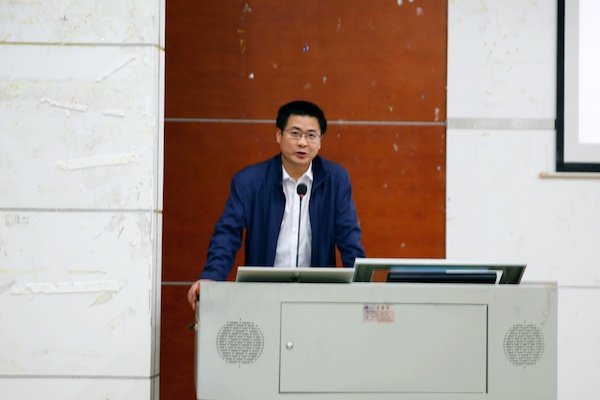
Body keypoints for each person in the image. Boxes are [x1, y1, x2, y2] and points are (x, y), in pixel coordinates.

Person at [187, 100, 366, 309]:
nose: (303, 143)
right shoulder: (249, 182)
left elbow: (349, 237)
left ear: (320, 141)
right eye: (295, 134)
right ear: (279, 135)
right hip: (262, 296)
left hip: (317, 297)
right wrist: (211, 277)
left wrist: (363, 287)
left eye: (311, 135)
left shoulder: (336, 180)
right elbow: (227, 235)